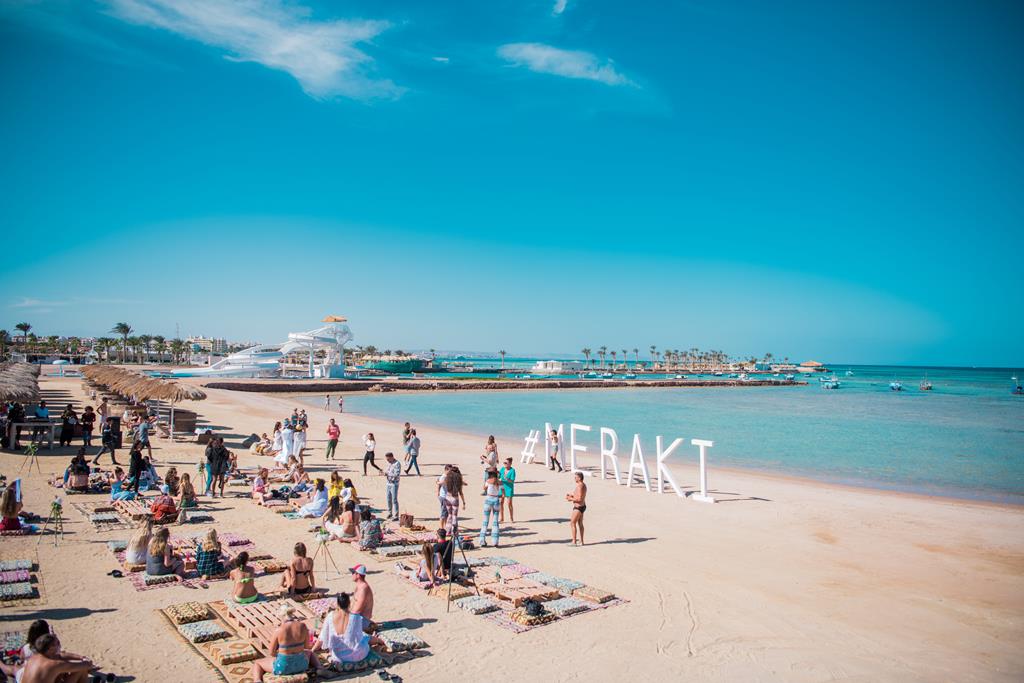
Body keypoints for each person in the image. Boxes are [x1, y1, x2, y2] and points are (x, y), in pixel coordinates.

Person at [249, 604, 318, 682]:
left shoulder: (279, 630)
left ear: (281, 616)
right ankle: (320, 668)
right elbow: (306, 647)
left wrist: (281, 654)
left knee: (258, 663)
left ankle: (257, 680)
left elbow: (271, 653)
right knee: (310, 652)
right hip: (302, 665)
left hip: (283, 667)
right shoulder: (303, 626)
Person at [313, 593, 381, 667]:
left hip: (339, 657)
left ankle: (378, 641)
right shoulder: (355, 617)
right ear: (349, 604)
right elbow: (359, 637)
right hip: (359, 654)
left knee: (363, 637)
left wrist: (313, 650)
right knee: (365, 637)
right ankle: (380, 641)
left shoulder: (330, 616)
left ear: (338, 605)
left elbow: (322, 637)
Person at [17, 634, 95, 683]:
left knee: (60, 673)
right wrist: (87, 662)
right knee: (81, 670)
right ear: (51, 648)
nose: (59, 645)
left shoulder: (34, 657)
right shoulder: (54, 664)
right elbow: (87, 665)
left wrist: (81, 657)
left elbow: (61, 655)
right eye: (57, 643)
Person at [479, 468, 501, 548]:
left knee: (485, 521)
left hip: (488, 499)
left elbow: (484, 488)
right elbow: (502, 493)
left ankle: (482, 540)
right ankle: (495, 541)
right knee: (495, 522)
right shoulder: (499, 482)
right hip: (496, 500)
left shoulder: (488, 481)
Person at [441, 467, 466, 534]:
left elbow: (441, 483)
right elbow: (461, 492)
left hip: (447, 498)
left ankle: (448, 530)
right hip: (455, 498)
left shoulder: (447, 479)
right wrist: (464, 502)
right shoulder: (458, 481)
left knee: (449, 515)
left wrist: (437, 482)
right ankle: (454, 531)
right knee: (454, 516)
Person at [566, 471, 588, 546]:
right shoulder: (583, 485)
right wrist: (572, 495)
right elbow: (579, 496)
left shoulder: (580, 486)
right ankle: (581, 541)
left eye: (576, 477)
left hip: (578, 507)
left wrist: (570, 499)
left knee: (572, 523)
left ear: (579, 478)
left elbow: (579, 499)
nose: (574, 478)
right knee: (580, 523)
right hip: (582, 506)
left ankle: (574, 542)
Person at [383, 452, 400, 520]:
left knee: (394, 500)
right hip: (388, 483)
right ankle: (390, 513)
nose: (387, 461)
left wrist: (388, 474)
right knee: (388, 499)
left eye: (388, 459)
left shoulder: (397, 463)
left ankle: (396, 515)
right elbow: (388, 471)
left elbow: (397, 474)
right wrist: (385, 473)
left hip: (394, 484)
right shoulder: (389, 463)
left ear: (391, 457)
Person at [499, 457, 516, 523]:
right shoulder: (502, 469)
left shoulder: (512, 470)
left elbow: (512, 481)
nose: (505, 464)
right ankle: (502, 518)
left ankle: (511, 518)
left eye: (506, 463)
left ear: (510, 463)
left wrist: (507, 479)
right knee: (501, 502)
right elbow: (498, 476)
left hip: (509, 488)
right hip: (502, 487)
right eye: (504, 463)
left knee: (509, 504)